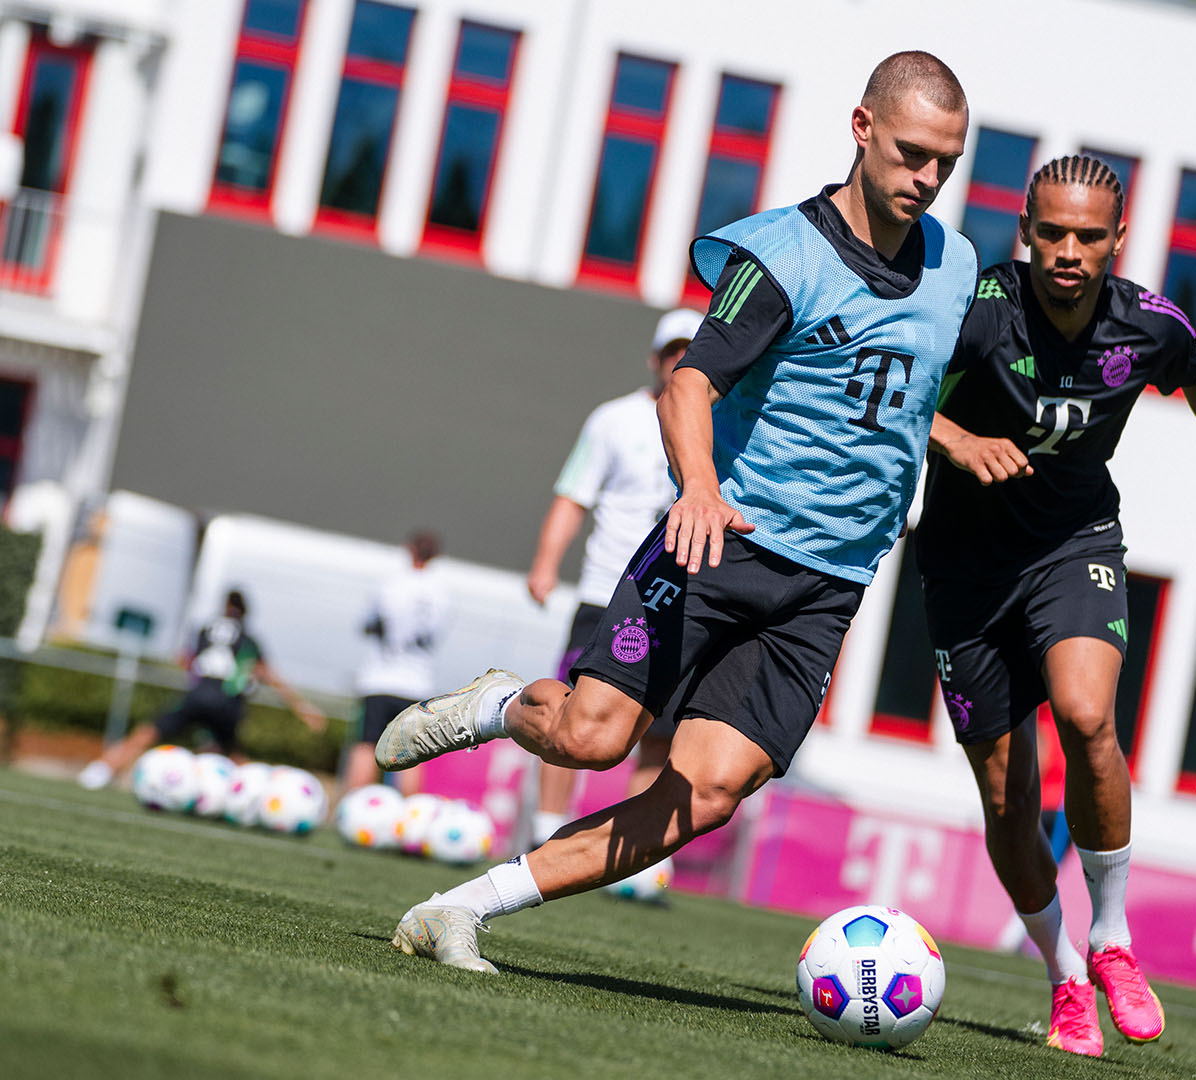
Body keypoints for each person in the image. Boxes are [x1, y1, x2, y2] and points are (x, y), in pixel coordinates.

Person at [371, 50, 976, 973]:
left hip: (829, 587)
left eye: (945, 162)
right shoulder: (783, 256)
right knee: (590, 739)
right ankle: (497, 703)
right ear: (861, 129)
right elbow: (688, 382)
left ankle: (462, 908)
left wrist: (947, 442)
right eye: (910, 154)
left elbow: (893, 387)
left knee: (707, 793)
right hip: (717, 542)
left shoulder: (956, 266)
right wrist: (698, 484)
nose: (926, 181)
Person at [917, 155, 1196, 1056]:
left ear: (1118, 239)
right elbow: (896, 388)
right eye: (1052, 233)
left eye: (1088, 236)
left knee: (1086, 714)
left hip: (1073, 546)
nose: (1068, 251)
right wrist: (955, 440)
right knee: (1006, 796)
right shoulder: (976, 309)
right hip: (963, 572)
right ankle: (1064, 975)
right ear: (1025, 232)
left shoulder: (1148, 324)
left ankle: (1112, 935)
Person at [523, 308, 702, 896]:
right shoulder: (613, 420)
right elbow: (572, 495)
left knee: (659, 729)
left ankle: (631, 851)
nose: (680, 360)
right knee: (575, 715)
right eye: (671, 350)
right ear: (654, 359)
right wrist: (547, 563)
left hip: (677, 598)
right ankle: (546, 828)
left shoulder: (720, 418)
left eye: (690, 349)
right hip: (607, 591)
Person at [77, 590, 327, 789]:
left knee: (146, 734)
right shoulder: (249, 639)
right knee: (234, 757)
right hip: (227, 701)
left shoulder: (205, 630)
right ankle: (258, 793)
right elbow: (269, 674)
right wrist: (303, 709)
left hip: (198, 695)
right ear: (244, 613)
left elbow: (184, 660)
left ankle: (100, 772)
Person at [343, 530, 450, 795]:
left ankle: (353, 804)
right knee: (409, 752)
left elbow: (368, 624)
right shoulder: (441, 593)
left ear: (410, 550)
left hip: (380, 677)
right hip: (416, 682)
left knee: (367, 744)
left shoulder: (392, 584)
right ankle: (410, 815)